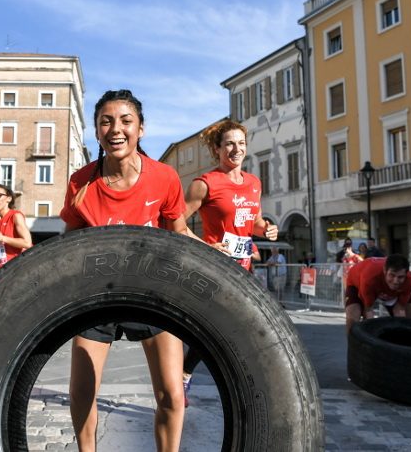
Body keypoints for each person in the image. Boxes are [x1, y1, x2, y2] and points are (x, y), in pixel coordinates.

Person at [60, 89, 190, 452]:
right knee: (82, 392)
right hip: (96, 293)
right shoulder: (80, 182)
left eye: (125, 121)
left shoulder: (164, 177)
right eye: (106, 121)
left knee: (172, 395)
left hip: (151, 291)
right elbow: (67, 244)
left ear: (141, 129)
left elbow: (179, 234)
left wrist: (213, 253)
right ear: (97, 132)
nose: (115, 129)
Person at [179, 118, 279, 408]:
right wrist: (206, 247)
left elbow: (254, 222)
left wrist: (267, 228)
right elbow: (176, 223)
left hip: (245, 268)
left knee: (246, 327)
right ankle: (184, 374)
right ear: (217, 149)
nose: (237, 149)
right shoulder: (205, 184)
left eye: (241, 144)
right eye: (230, 144)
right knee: (216, 328)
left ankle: (242, 386)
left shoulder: (253, 183)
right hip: (217, 269)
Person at [344, 254, 411, 335]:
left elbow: (399, 309)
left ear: (406, 274)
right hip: (357, 283)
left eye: (400, 277)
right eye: (392, 275)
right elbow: (368, 310)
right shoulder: (369, 278)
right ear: (385, 271)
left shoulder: (410, 281)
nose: (395, 281)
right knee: (352, 318)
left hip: (385, 289)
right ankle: (354, 346)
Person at [0, 184, 33, 279]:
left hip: (13, 269)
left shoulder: (16, 216)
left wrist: (2, 237)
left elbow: (27, 243)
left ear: (8, 199)